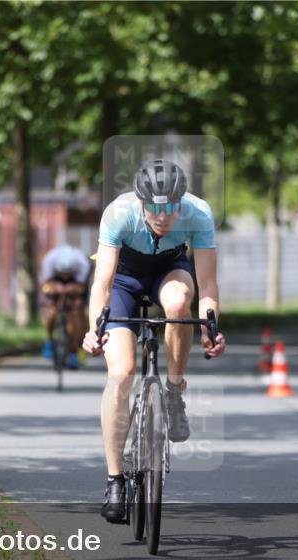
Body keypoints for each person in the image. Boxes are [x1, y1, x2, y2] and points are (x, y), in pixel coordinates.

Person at [82, 159, 226, 522]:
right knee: (121, 373)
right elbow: (102, 283)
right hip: (123, 280)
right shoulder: (119, 213)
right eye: (156, 207)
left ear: (182, 201)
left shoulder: (199, 213)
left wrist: (211, 327)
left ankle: (174, 393)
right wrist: (94, 330)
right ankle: (115, 479)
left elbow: (207, 285)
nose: (164, 215)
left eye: (172, 207)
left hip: (170, 270)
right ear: (141, 201)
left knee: (179, 304)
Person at [40, 244, 91, 369]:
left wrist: (72, 289)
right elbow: (45, 285)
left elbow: (82, 287)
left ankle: (74, 350)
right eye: (62, 274)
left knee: (77, 310)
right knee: (50, 309)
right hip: (54, 281)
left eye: (68, 274)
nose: (65, 277)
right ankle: (49, 340)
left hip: (76, 282)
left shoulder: (83, 264)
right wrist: (55, 289)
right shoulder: (48, 262)